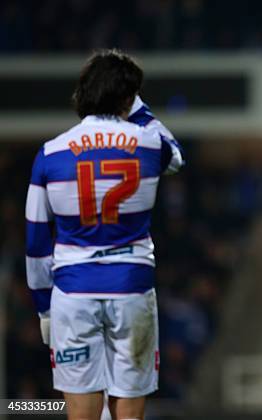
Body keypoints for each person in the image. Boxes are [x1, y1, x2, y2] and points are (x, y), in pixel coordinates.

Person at [25, 49, 184, 420]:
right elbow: (176, 156)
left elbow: (35, 240)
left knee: (81, 412)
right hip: (132, 287)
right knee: (128, 411)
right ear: (128, 98)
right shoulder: (148, 143)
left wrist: (43, 306)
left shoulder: (50, 153)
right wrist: (137, 106)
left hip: (72, 291)